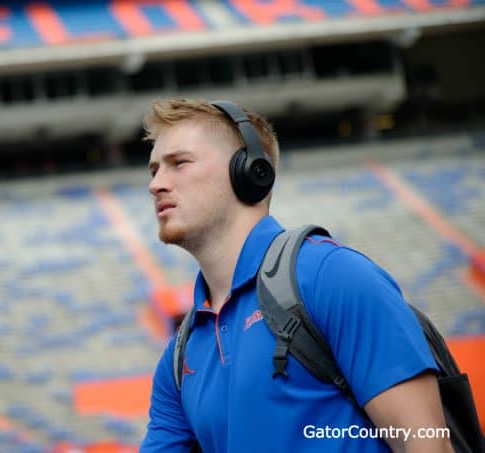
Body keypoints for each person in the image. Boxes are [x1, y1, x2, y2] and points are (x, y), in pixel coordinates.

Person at [139, 98, 453, 452]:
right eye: (153, 171)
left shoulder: (330, 276)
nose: (156, 184)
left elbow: (427, 442)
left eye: (178, 163)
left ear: (249, 171)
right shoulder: (180, 356)